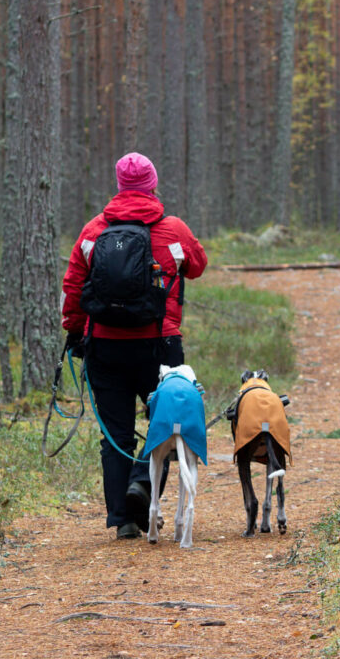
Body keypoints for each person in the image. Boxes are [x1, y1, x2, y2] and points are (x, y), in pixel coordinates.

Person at [61, 152, 208, 539]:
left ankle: (124, 519)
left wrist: (74, 331)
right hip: (160, 344)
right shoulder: (173, 229)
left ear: (120, 186)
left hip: (104, 346)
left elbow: (73, 287)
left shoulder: (93, 231)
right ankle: (143, 482)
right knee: (165, 422)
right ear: (152, 185)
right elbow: (198, 265)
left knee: (114, 432)